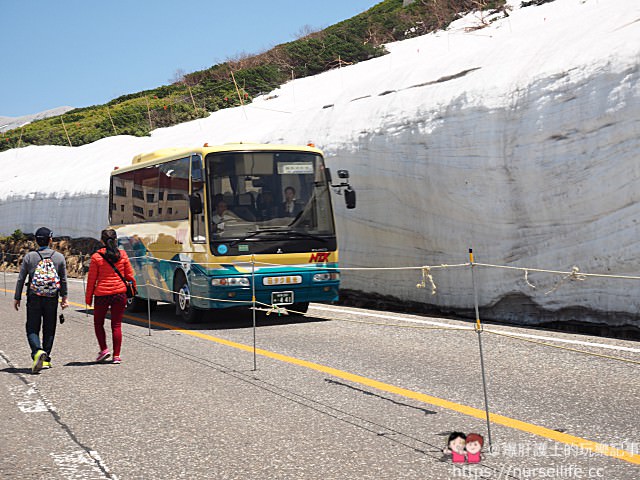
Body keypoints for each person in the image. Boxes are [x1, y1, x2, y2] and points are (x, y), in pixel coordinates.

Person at [13, 227, 68, 373]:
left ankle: (37, 351)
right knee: (49, 328)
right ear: (50, 240)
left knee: (32, 327)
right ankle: (46, 358)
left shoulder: (29, 257)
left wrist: (17, 297)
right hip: (52, 297)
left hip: (34, 297)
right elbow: (63, 279)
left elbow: (21, 278)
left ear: (36, 241)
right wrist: (64, 298)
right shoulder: (59, 257)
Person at [85, 228, 136, 364]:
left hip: (102, 294)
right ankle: (116, 356)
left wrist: (88, 298)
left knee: (98, 323)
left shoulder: (96, 257)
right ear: (115, 240)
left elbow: (91, 280)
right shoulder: (123, 255)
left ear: (101, 241)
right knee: (117, 325)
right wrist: (133, 289)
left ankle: (104, 350)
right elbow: (130, 275)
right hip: (119, 293)